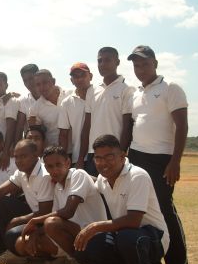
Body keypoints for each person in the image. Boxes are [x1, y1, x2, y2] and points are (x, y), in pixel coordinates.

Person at [67, 135, 169, 264]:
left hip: (153, 237)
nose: (103, 163)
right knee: (86, 246)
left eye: (109, 157)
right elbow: (91, 187)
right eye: (98, 158)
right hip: (125, 235)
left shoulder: (137, 176)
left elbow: (134, 221)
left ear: (122, 156)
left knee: (126, 236)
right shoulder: (103, 179)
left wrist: (95, 226)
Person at [127, 45, 192, 264]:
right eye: (136, 65)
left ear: (155, 63)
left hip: (161, 159)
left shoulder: (170, 88)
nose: (140, 69)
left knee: (165, 212)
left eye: (144, 64)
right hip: (136, 157)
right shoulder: (136, 93)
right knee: (141, 212)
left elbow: (182, 126)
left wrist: (175, 161)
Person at [17, 146, 106, 264]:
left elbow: (67, 212)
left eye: (58, 164)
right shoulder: (58, 187)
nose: (55, 170)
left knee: (51, 223)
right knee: (21, 243)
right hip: (74, 234)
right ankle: (69, 260)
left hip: (94, 236)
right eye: (50, 166)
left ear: (68, 163)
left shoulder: (78, 175)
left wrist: (35, 220)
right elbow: (59, 216)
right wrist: (35, 233)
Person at [0, 139, 54, 264]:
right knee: (4, 202)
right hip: (35, 215)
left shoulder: (44, 175)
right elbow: (0, 191)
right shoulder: (22, 172)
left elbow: (45, 212)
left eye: (23, 156)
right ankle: (15, 252)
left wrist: (18, 220)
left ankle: (42, 256)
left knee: (12, 234)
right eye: (16, 157)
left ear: (35, 155)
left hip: (49, 220)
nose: (19, 161)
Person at [77, 47, 134, 176]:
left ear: (117, 62)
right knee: (95, 188)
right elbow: (87, 126)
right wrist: (81, 157)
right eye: (100, 61)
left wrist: (121, 154)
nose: (102, 64)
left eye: (107, 60)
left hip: (113, 155)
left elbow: (127, 126)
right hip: (93, 154)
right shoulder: (92, 90)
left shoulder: (126, 89)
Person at [58, 62, 93, 168]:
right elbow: (63, 134)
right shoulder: (66, 103)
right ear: (71, 81)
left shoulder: (100, 96)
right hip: (78, 158)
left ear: (90, 76)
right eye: (76, 77)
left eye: (83, 75)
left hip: (102, 154)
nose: (80, 79)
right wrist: (63, 161)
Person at [28, 69, 71, 147]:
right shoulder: (35, 109)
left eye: (45, 82)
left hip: (77, 149)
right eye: (38, 84)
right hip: (54, 151)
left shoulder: (70, 95)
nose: (42, 87)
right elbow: (36, 134)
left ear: (53, 81)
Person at [0, 71, 19, 170]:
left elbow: (11, 128)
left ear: (6, 85)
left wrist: (5, 152)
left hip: (10, 150)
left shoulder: (10, 101)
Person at [15, 64, 40, 142]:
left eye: (31, 78)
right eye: (25, 80)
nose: (28, 83)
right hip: (33, 147)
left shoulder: (50, 97)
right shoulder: (23, 101)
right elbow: (19, 129)